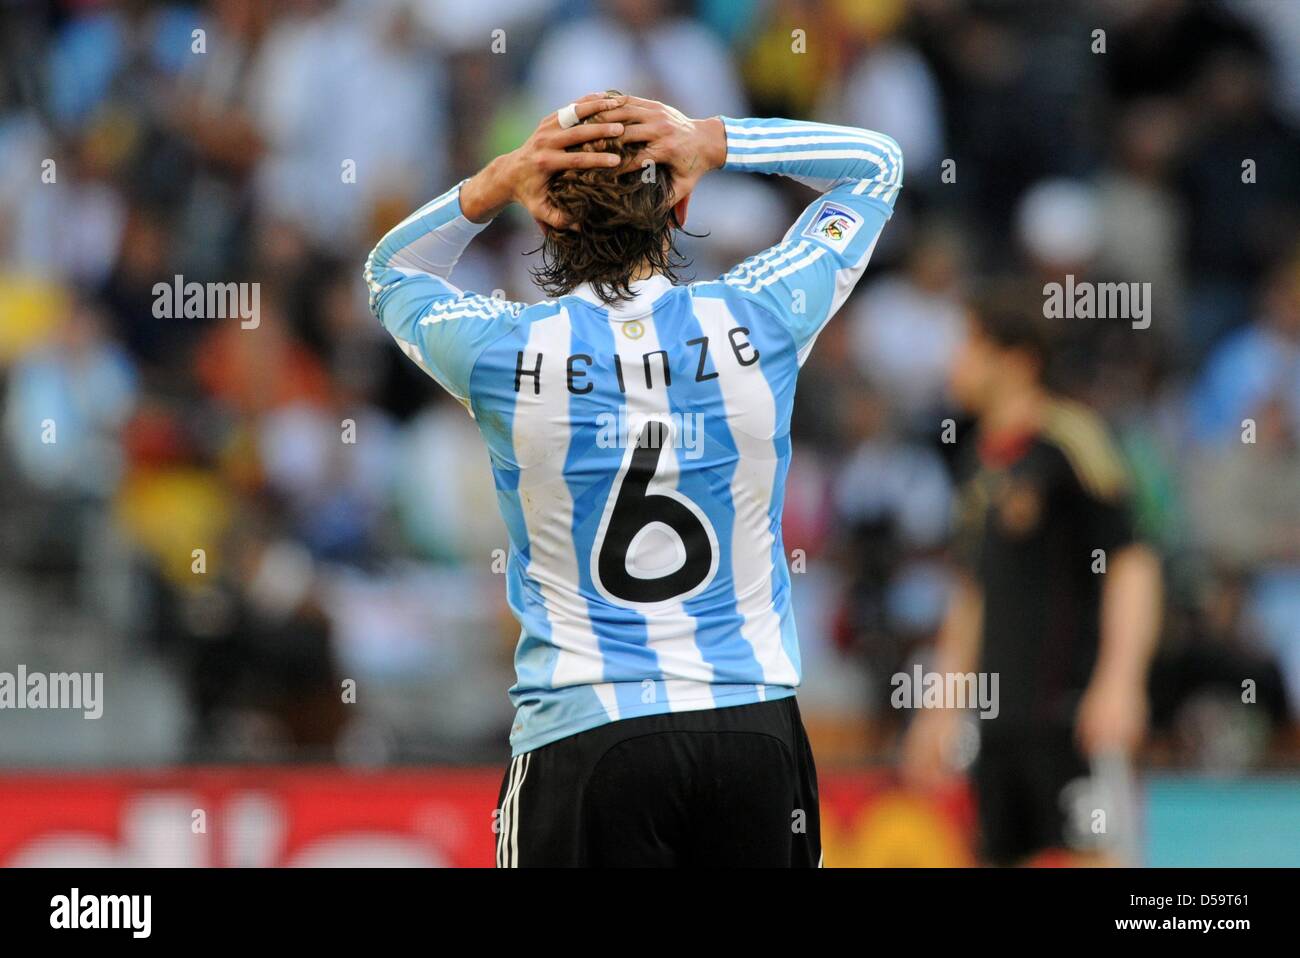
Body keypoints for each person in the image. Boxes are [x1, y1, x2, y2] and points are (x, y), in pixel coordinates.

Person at [364, 92, 902, 866]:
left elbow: (392, 270)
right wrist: (715, 142)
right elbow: (875, 167)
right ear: (680, 208)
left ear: (545, 219)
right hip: (751, 730)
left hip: (587, 735)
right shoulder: (761, 317)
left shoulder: (505, 352)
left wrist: (495, 181)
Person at [902, 291, 1163, 866]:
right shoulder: (976, 460)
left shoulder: (1072, 440)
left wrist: (1120, 681)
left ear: (1016, 360)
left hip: (1071, 711)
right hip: (999, 726)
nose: (953, 362)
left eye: (967, 346)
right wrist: (941, 710)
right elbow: (972, 593)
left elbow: (1131, 562)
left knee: (1092, 856)